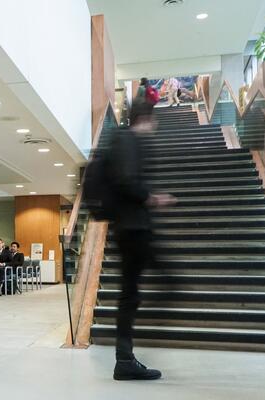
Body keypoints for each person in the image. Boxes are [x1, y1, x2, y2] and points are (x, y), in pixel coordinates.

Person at [107, 103, 175, 380]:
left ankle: (125, 358)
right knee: (160, 286)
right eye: (153, 120)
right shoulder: (127, 140)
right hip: (133, 229)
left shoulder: (123, 141)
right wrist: (152, 198)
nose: (155, 127)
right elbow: (125, 181)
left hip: (130, 228)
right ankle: (125, 357)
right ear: (145, 119)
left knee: (131, 293)